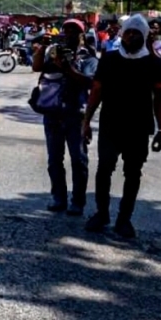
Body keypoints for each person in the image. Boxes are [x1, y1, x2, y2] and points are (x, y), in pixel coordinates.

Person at [83, 15, 161, 239]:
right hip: (110, 125)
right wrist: (86, 121)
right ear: (122, 33)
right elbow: (96, 91)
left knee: (133, 174)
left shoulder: (155, 64)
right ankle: (101, 214)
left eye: (136, 32)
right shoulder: (109, 59)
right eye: (128, 31)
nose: (131, 36)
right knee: (104, 170)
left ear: (145, 35)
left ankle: (124, 219)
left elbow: (159, 98)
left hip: (138, 129)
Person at [31, 19, 97, 215]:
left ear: (81, 34)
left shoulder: (88, 56)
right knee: (54, 160)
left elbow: (90, 82)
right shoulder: (53, 52)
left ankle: (77, 201)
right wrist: (42, 47)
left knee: (78, 160)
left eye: (73, 30)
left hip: (76, 114)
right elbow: (37, 67)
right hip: (52, 113)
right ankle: (58, 197)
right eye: (65, 29)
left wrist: (67, 68)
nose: (68, 33)